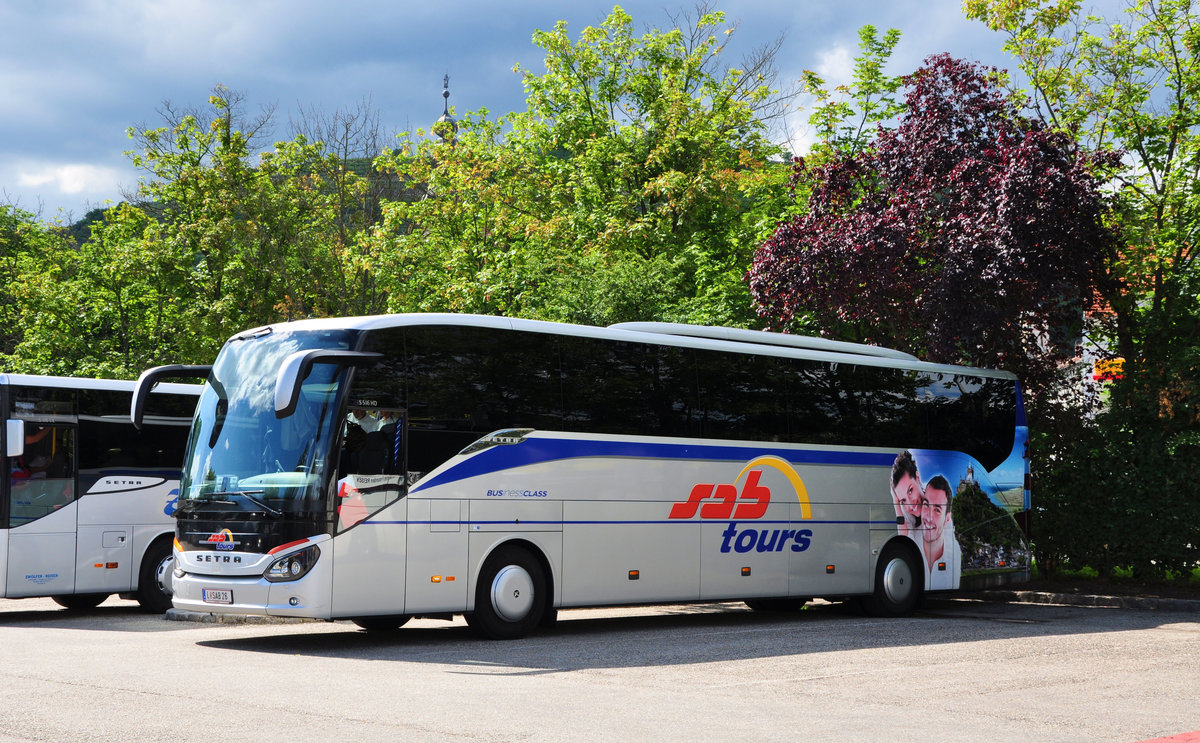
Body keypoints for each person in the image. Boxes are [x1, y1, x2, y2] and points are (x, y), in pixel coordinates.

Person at [921, 475, 961, 590]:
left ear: (947, 518)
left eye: (937, 510)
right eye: (926, 505)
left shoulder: (954, 552)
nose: (929, 517)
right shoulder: (910, 538)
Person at [890, 450, 923, 538]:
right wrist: (896, 503)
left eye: (910, 491)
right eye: (903, 500)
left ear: (918, 478)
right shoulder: (906, 510)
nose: (910, 505)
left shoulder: (935, 496)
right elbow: (904, 538)